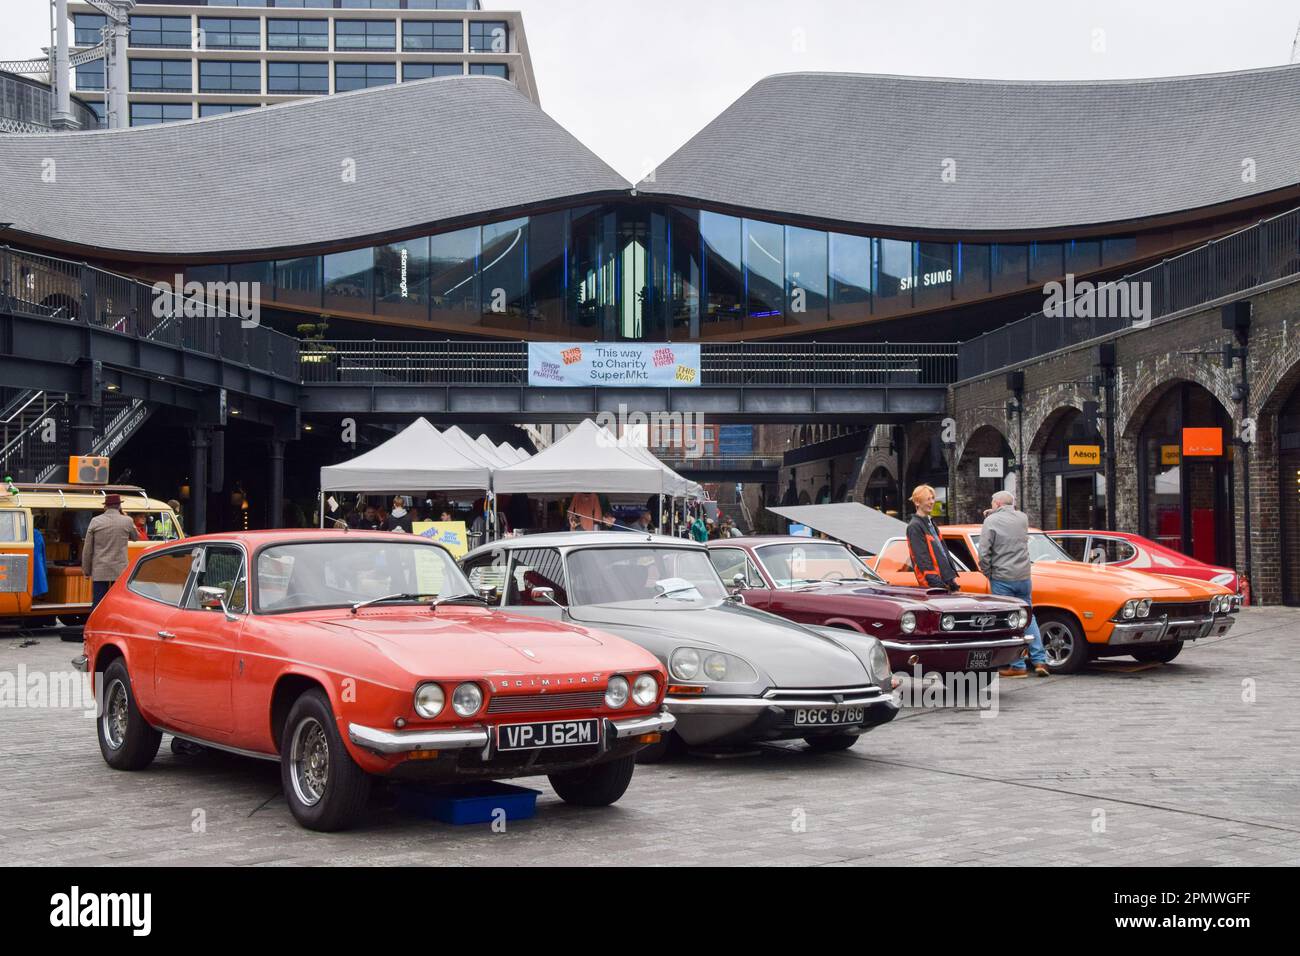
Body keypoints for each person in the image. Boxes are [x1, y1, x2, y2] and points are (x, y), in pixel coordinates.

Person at [979, 490, 1051, 678]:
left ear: (997, 504)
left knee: (1009, 620)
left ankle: (1017, 665)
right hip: (1024, 576)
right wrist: (993, 513)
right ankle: (1040, 660)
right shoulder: (1022, 518)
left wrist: (988, 573)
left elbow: (984, 552)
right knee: (1028, 617)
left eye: (993, 503)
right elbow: (1008, 517)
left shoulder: (991, 522)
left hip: (1002, 577)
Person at [82, 494, 139, 608]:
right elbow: (135, 537)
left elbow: (87, 549)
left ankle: (97, 623)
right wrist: (126, 517)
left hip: (100, 569)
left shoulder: (95, 521)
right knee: (118, 602)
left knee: (98, 602)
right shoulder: (127, 521)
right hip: (119, 570)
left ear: (105, 507)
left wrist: (86, 570)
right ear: (119, 506)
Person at [905, 484, 958, 590]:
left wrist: (950, 579)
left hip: (945, 580)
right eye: (928, 499)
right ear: (917, 502)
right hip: (935, 584)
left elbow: (941, 551)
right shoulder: (915, 526)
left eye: (933, 498)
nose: (932, 502)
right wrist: (936, 583)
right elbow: (922, 558)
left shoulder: (930, 522)